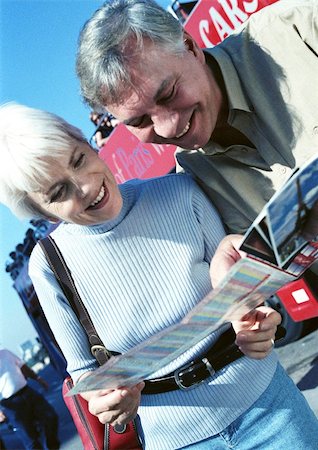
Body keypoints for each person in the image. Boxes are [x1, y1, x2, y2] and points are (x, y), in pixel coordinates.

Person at [0, 103, 317, 449]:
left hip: (270, 408)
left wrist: (253, 321)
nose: (86, 187)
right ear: (37, 211)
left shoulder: (180, 192)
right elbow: (84, 374)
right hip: (176, 442)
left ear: (87, 143)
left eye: (78, 160)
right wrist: (107, 402)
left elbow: (237, 293)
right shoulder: (47, 265)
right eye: (58, 193)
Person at [76, 0, 318, 237]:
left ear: (189, 46)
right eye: (139, 122)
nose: (168, 128)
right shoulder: (195, 182)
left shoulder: (300, 30)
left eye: (168, 94)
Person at [0, 348, 60, 450]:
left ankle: (52, 447)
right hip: (10, 406)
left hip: (27, 392)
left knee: (51, 417)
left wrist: (38, 378)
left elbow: (22, 367)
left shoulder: (5, 353)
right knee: (30, 440)